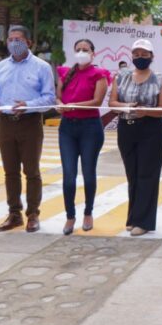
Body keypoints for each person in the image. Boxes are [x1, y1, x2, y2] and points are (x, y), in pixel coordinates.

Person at [0, 25, 55, 233]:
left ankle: (33, 214)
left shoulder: (41, 67)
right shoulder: (1, 67)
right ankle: (14, 213)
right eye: (10, 39)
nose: (13, 43)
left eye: (18, 39)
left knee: (31, 171)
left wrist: (28, 105)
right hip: (5, 123)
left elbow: (49, 98)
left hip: (30, 122)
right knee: (10, 172)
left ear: (28, 42)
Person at [108, 39, 162, 237]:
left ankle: (144, 221)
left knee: (147, 175)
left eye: (145, 54)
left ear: (152, 56)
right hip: (127, 128)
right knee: (132, 174)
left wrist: (147, 112)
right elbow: (112, 102)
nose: (140, 57)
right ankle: (133, 217)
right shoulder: (122, 76)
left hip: (151, 129)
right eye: (136, 54)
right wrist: (126, 107)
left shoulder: (160, 79)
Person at [56, 39, 110, 235]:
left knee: (88, 173)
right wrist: (59, 103)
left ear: (93, 53)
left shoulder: (100, 74)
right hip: (67, 128)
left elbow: (97, 101)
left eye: (85, 50)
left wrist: (75, 106)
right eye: (78, 49)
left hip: (90, 128)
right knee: (69, 176)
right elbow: (58, 96)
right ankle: (70, 216)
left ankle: (88, 212)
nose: (81, 52)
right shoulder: (65, 72)